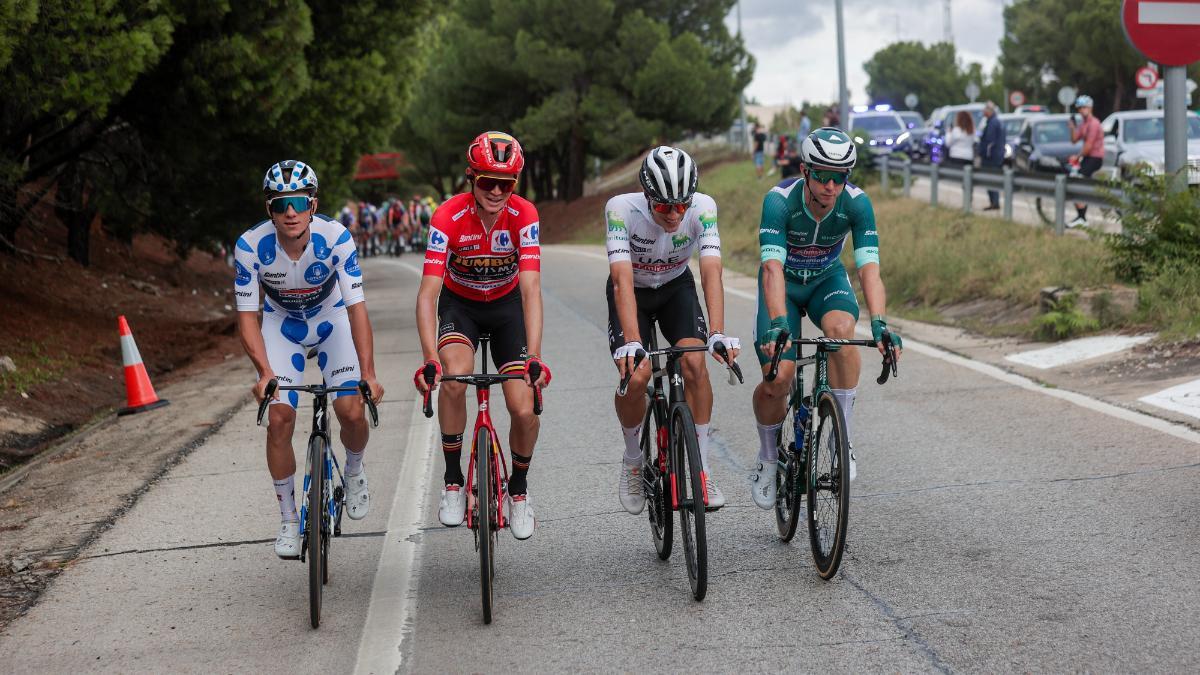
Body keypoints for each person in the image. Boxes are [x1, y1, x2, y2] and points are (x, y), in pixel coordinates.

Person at [235, 160, 385, 559]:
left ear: (313, 204)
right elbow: (248, 317)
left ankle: (353, 471)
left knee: (351, 410)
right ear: (269, 209)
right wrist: (265, 371)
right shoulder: (250, 247)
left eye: (299, 202)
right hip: (282, 324)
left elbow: (356, 309)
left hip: (331, 318)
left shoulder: (336, 238)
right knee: (280, 418)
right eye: (281, 203)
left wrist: (368, 374)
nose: (290, 212)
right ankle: (287, 519)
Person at [749, 128, 903, 508]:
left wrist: (880, 322)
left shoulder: (857, 204)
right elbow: (771, 268)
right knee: (778, 378)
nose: (831, 185)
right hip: (782, 284)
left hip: (826, 281)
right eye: (822, 175)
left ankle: (841, 435)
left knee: (842, 332)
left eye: (840, 177)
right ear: (805, 170)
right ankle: (768, 458)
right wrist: (778, 323)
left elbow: (869, 269)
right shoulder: (779, 202)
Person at [413, 131, 550, 541]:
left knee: (523, 408)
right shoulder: (447, 218)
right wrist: (429, 359)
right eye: (486, 181)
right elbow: (427, 295)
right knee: (454, 379)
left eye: (505, 183)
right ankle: (453, 481)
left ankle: (519, 491)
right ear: (470, 177)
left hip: (507, 309)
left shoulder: (524, 215)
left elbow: (531, 289)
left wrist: (535, 358)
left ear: (515, 185)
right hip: (462, 307)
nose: (495, 191)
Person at [606, 146, 741, 514]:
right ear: (647, 196)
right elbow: (620, 279)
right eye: (664, 206)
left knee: (695, 365)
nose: (675, 214)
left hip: (675, 288)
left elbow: (711, 269)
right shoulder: (621, 210)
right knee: (637, 375)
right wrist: (633, 343)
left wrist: (717, 331)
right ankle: (633, 459)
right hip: (632, 289)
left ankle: (702, 469)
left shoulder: (704, 207)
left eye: (682, 205)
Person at [1067, 95, 1104, 227]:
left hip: (1095, 158)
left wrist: (1076, 157)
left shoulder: (1094, 124)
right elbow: (1074, 140)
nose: (1082, 110)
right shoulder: (1084, 124)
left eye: (1084, 107)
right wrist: (1072, 127)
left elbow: (1088, 146)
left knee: (1078, 182)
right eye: (1080, 108)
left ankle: (1082, 217)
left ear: (1090, 108)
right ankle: (1081, 217)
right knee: (1074, 180)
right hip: (1088, 158)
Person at [979, 102, 1005, 210]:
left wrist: (983, 153)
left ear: (990, 111)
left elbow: (990, 141)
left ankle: (994, 203)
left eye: (985, 110)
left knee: (990, 179)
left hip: (991, 158)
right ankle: (994, 202)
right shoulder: (994, 122)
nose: (983, 112)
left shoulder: (993, 123)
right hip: (996, 156)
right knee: (992, 180)